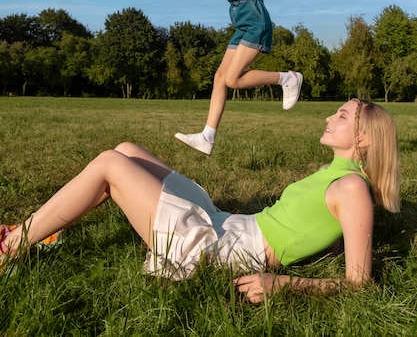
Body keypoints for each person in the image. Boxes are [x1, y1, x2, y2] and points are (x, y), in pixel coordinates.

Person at [1, 100, 400, 301]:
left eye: (343, 117)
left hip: (224, 249)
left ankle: (13, 246)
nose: (330, 118)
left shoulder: (352, 189)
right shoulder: (339, 176)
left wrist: (281, 283)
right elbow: (323, 230)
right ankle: (32, 231)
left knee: (109, 164)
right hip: (228, 222)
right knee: (126, 149)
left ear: (364, 139)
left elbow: (359, 284)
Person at [154, 0, 337, 154]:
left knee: (233, 79)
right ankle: (207, 137)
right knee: (220, 76)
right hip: (241, 25)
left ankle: (287, 78)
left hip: (256, 22)